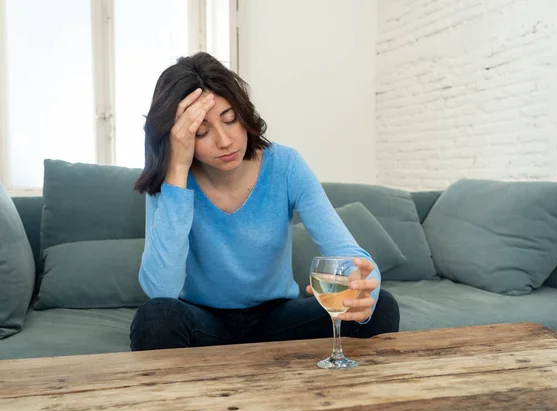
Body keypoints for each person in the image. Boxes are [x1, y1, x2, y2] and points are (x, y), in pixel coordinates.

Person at [130, 51, 400, 351]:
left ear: (244, 114)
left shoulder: (285, 165)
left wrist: (364, 291)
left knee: (382, 306)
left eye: (230, 120)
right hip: (204, 323)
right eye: (201, 132)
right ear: (177, 137)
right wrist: (177, 171)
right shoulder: (170, 181)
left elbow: (348, 252)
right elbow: (161, 290)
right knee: (155, 318)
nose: (225, 140)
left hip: (277, 320)